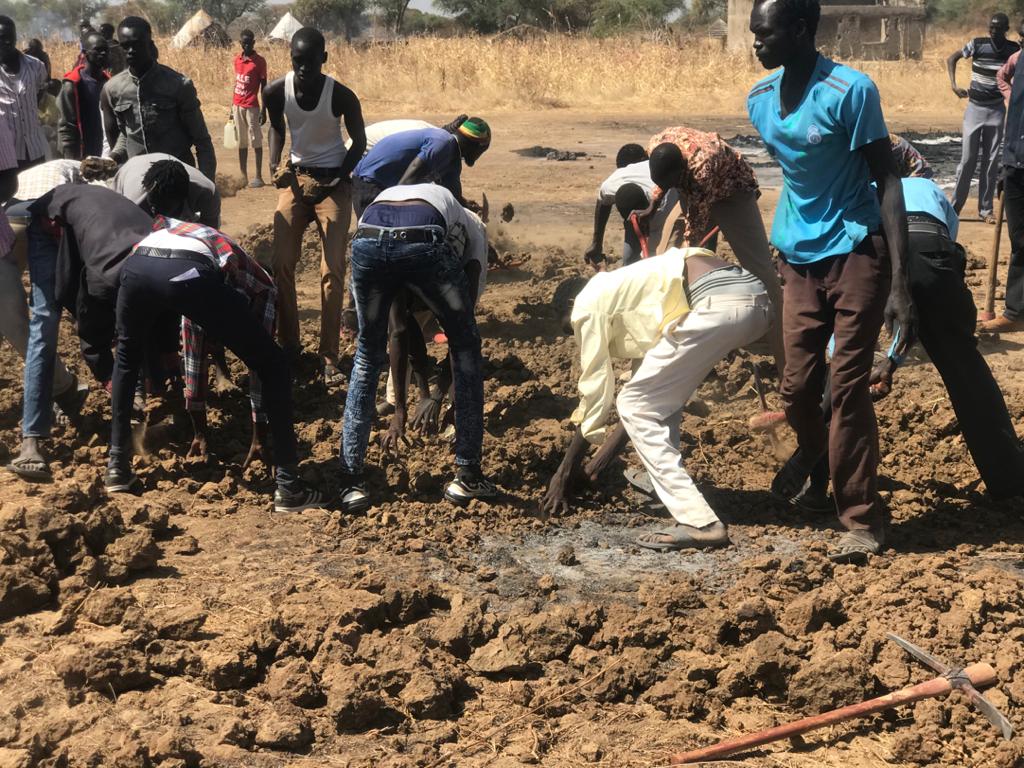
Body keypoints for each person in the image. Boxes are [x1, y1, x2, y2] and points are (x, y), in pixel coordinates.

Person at [748, 0, 916, 564]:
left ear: (800, 31)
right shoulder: (759, 103)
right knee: (797, 388)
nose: (757, 45)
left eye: (766, 35)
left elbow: (887, 180)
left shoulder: (850, 91)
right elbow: (798, 175)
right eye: (754, 35)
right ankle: (818, 459)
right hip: (797, 256)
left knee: (845, 388)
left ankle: (862, 520)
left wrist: (901, 283)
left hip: (856, 250)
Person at [108, 161, 325, 511]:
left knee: (127, 360)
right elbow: (262, 286)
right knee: (274, 367)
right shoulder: (207, 234)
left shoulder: (147, 237)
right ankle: (288, 485)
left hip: (137, 269)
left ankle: (117, 467)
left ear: (150, 200)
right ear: (188, 197)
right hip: (189, 272)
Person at [567, 249, 772, 549]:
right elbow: (653, 373)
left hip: (718, 306)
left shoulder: (586, 305)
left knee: (633, 404)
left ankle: (699, 522)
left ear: (570, 306)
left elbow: (597, 390)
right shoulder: (627, 285)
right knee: (659, 398)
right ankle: (662, 483)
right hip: (755, 299)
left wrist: (568, 471)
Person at [340, 182, 495, 512]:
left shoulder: (404, 199)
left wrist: (424, 399)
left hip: (368, 237)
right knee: (467, 346)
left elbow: (397, 330)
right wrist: (437, 398)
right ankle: (467, 473)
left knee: (367, 353)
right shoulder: (475, 229)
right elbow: (459, 333)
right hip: (421, 239)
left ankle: (350, 481)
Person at [9, 185, 153, 480]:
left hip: (89, 231)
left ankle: (133, 394)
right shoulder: (106, 273)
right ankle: (31, 440)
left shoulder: (152, 255)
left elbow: (139, 324)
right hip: (50, 226)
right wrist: (114, 385)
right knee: (46, 323)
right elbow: (89, 327)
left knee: (128, 317)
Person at [264, 26, 366, 385]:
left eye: (311, 61)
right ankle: (289, 344)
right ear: (291, 59)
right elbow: (276, 128)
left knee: (331, 271)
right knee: (281, 263)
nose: (304, 67)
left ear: (324, 58)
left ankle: (328, 356)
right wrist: (276, 163)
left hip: (333, 183)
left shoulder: (341, 96)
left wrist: (338, 178)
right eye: (297, 60)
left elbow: (359, 142)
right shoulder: (276, 92)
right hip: (296, 178)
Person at [647, 130, 785, 376]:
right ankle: (698, 351)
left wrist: (684, 260)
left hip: (733, 190)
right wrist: (652, 207)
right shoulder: (657, 145)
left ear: (683, 169)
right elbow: (663, 182)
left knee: (763, 273)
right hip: (691, 186)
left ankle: (789, 364)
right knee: (684, 273)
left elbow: (694, 233)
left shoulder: (702, 167)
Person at [101, 17, 216, 181]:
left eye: (137, 44)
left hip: (177, 180)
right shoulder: (112, 89)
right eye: (125, 46)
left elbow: (201, 140)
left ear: (150, 44)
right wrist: (112, 158)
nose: (131, 51)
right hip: (137, 181)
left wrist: (206, 185)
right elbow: (127, 134)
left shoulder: (178, 85)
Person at [948, 14, 1019, 224]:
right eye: (991, 28)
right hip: (975, 108)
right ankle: (955, 208)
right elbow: (952, 58)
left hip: (997, 110)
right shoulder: (978, 44)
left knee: (991, 161)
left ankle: (986, 211)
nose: (993, 32)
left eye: (998, 29)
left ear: (1006, 30)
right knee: (967, 160)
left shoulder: (1012, 49)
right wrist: (954, 85)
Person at [351, 118, 491, 216]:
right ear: (476, 146)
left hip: (385, 184)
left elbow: (454, 197)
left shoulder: (452, 160)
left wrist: (468, 209)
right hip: (369, 181)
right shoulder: (443, 143)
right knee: (375, 234)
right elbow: (406, 182)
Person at [584, 144, 679, 269]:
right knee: (630, 263)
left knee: (666, 263)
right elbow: (602, 202)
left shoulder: (661, 202)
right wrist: (597, 243)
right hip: (645, 210)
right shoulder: (614, 182)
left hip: (671, 213)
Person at [987, 43, 1024, 333]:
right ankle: (1015, 311)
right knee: (1020, 241)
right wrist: (1004, 164)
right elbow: (1013, 119)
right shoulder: (1017, 60)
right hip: (1015, 162)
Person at [111, 152, 220, 227]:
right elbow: (122, 237)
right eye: (154, 208)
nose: (161, 217)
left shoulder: (207, 193)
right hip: (130, 169)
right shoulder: (132, 202)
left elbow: (211, 233)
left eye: (168, 211)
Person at [0, 16, 48, 170]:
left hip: (34, 149)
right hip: (6, 153)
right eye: (1, 38)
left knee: (41, 192)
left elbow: (40, 91)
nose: (7, 42)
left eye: (10, 37)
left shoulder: (36, 66)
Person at [58, 32, 109, 160]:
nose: (103, 53)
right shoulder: (72, 85)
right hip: (80, 151)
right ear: (85, 53)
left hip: (106, 150)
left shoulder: (110, 84)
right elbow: (66, 126)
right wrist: (71, 159)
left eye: (105, 50)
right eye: (98, 50)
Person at [232, 30, 268, 188]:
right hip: (237, 105)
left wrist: (264, 109)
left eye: (249, 42)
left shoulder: (259, 61)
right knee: (242, 141)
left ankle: (259, 176)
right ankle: (243, 176)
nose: (246, 45)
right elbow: (237, 83)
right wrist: (231, 108)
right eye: (243, 43)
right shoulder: (237, 60)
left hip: (252, 106)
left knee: (256, 140)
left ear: (254, 43)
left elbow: (264, 87)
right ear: (240, 43)